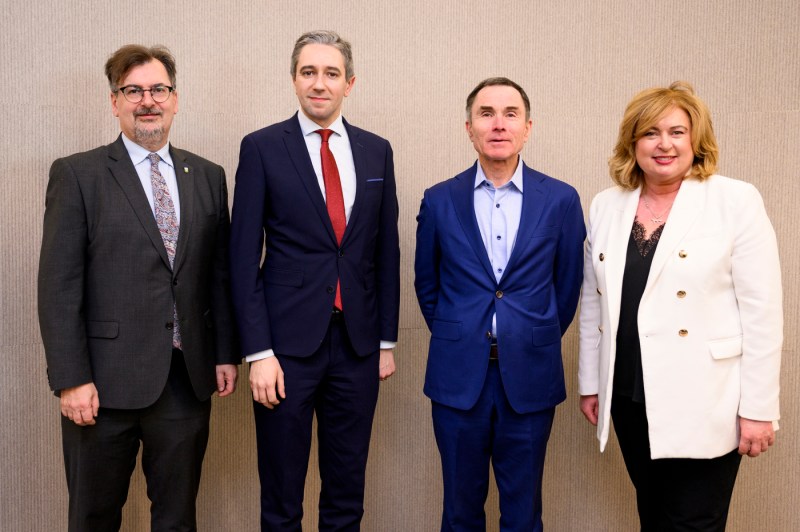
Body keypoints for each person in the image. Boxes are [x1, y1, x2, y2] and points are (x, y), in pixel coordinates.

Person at [38, 44, 239, 531]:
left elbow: (219, 276)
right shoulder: (78, 174)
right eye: (133, 91)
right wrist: (71, 379)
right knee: (94, 516)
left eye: (158, 89)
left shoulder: (208, 176)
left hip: (184, 381)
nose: (147, 100)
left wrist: (224, 353)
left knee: (176, 518)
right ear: (114, 101)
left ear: (175, 98)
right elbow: (58, 286)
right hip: (101, 386)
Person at [578, 81, 783, 531]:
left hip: (706, 397)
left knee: (694, 522)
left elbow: (763, 313)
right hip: (630, 395)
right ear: (633, 142)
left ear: (696, 140)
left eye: (676, 132)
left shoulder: (734, 200)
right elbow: (594, 305)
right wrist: (592, 383)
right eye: (650, 132)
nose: (664, 144)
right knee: (652, 514)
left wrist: (759, 408)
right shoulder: (607, 204)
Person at [229, 30, 400, 531]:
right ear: (293, 80)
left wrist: (386, 341)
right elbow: (243, 259)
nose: (318, 83)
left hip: (358, 346)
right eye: (308, 72)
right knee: (282, 495)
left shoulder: (376, 151)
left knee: (347, 491)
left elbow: (383, 252)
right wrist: (258, 353)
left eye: (330, 73)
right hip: (284, 351)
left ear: (349, 83)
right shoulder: (261, 148)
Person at [414, 77, 585, 531]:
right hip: (457, 378)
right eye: (486, 113)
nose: (498, 124)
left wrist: (527, 334)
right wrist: (462, 333)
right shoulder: (438, 199)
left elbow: (566, 289)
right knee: (459, 511)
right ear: (468, 127)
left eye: (510, 114)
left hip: (530, 378)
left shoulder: (561, 200)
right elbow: (427, 285)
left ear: (528, 127)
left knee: (524, 513)